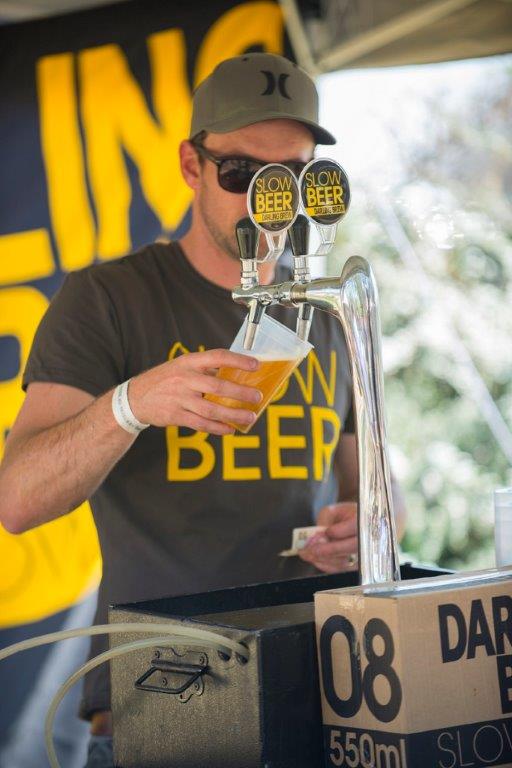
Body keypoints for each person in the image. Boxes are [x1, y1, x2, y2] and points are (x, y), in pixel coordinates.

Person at [0, 53, 405, 767]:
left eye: (292, 177)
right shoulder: (108, 299)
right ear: (192, 166)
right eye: (243, 173)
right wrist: (131, 404)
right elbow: (17, 500)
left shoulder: (327, 309)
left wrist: (370, 522)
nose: (268, 200)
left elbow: (373, 490)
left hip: (322, 687)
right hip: (164, 694)